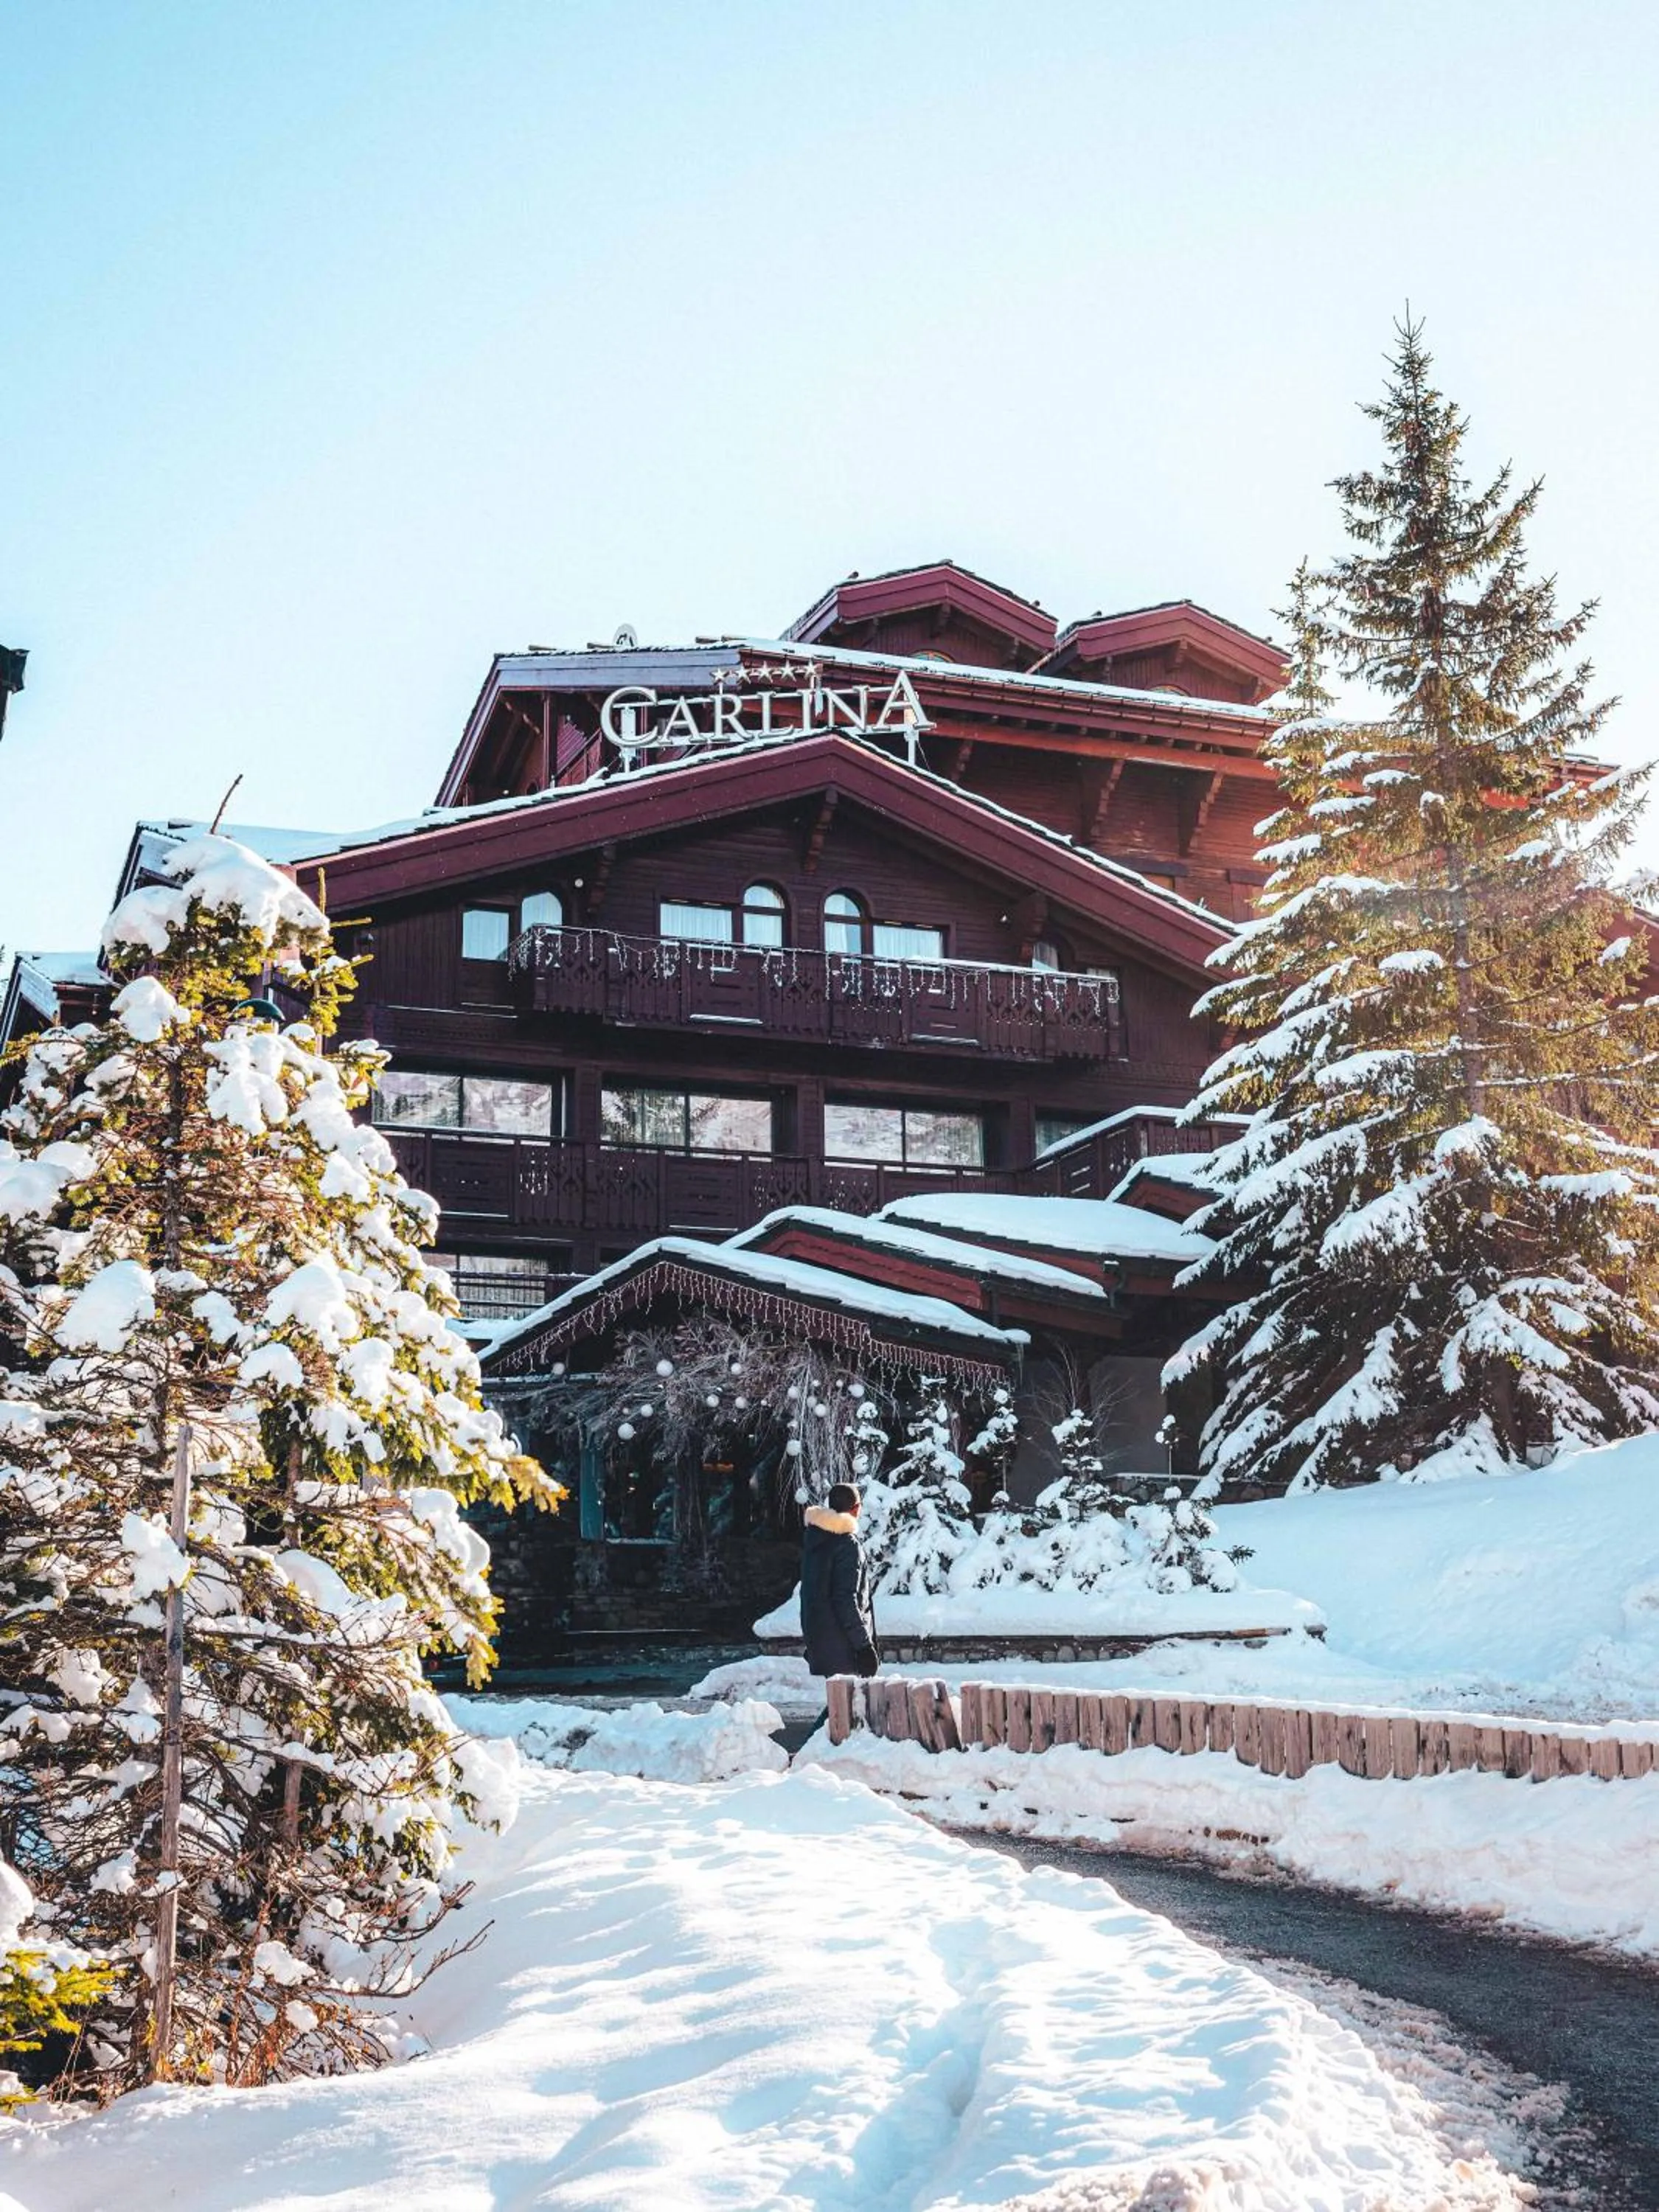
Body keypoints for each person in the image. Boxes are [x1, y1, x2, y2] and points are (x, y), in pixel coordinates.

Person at [800, 1481, 880, 1679]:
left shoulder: (817, 1539)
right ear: (856, 1509)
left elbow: (811, 1592)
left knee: (840, 1704)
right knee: (848, 1705)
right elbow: (845, 1599)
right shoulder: (846, 1544)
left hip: (823, 1638)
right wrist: (864, 1647)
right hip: (844, 1644)